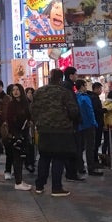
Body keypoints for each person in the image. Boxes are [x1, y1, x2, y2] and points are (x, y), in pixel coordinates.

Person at [32, 68, 80, 196]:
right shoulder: (64, 92)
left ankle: (39, 186)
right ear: (60, 79)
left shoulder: (39, 92)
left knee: (44, 157)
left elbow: (32, 110)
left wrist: (39, 122)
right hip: (61, 130)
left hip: (44, 129)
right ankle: (56, 187)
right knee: (58, 158)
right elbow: (74, 111)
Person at [5, 83, 32, 190]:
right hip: (16, 134)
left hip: (24, 132)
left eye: (17, 89)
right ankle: (18, 182)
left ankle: (20, 180)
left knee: (21, 157)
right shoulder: (11, 104)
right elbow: (10, 120)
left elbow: (30, 116)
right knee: (17, 157)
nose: (15, 91)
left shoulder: (26, 103)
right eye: (13, 90)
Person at [75, 80, 102, 176]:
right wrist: (94, 123)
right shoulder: (85, 98)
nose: (86, 87)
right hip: (88, 125)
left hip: (79, 125)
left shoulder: (75, 97)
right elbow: (90, 112)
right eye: (85, 85)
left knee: (80, 147)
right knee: (90, 147)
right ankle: (91, 168)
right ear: (82, 86)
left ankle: (80, 167)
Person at [62, 66, 84, 181]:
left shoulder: (67, 87)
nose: (77, 76)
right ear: (71, 76)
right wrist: (76, 117)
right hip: (71, 124)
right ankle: (71, 173)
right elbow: (71, 107)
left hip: (68, 123)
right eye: (76, 74)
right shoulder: (68, 88)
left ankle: (71, 172)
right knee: (74, 148)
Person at [88, 82, 104, 165]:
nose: (101, 90)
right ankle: (94, 161)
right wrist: (104, 110)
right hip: (97, 123)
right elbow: (96, 110)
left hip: (95, 123)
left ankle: (94, 160)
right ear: (96, 89)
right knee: (96, 142)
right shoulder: (94, 98)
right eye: (100, 89)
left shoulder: (92, 97)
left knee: (95, 142)